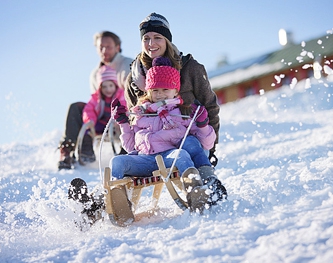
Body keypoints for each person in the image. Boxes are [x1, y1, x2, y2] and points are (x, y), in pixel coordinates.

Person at [110, 57, 227, 214]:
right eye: (155, 90)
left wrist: (203, 124)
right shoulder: (140, 114)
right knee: (116, 161)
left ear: (175, 91)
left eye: (165, 90)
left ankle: (195, 192)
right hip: (144, 159)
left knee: (182, 154)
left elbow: (206, 144)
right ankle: (119, 202)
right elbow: (131, 146)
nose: (160, 95)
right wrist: (124, 124)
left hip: (168, 158)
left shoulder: (182, 113)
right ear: (148, 91)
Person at [125, 12, 220, 168]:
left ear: (167, 40)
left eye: (157, 37)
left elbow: (210, 106)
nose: (151, 43)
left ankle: (203, 185)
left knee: (189, 147)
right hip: (152, 151)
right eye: (146, 38)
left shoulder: (190, 68)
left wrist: (211, 147)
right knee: (120, 164)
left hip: (189, 142)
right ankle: (105, 191)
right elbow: (133, 119)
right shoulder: (135, 78)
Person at [58, 31, 133, 170]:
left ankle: (127, 152)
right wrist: (90, 120)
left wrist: (121, 118)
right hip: (103, 117)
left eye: (109, 46)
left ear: (117, 47)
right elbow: (96, 101)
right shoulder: (95, 74)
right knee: (76, 107)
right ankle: (68, 151)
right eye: (101, 47)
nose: (104, 50)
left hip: (126, 113)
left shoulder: (128, 65)